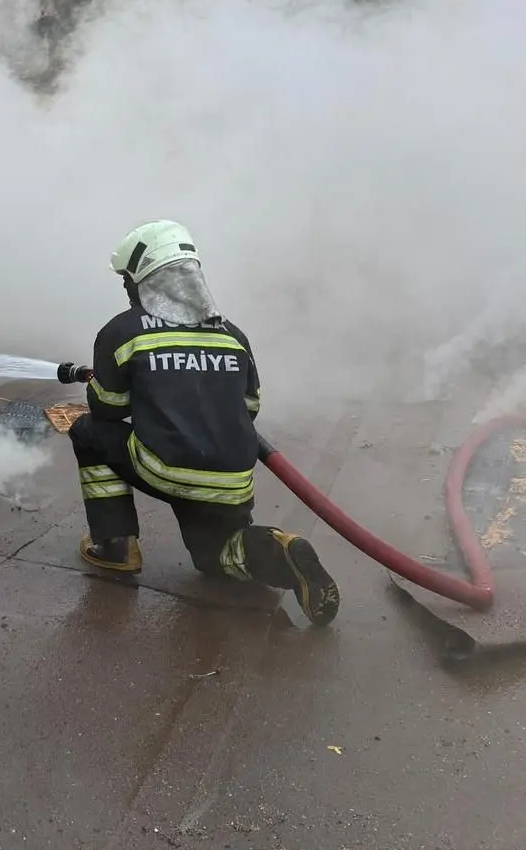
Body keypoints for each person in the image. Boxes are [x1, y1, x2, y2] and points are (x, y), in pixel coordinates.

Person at [68, 219, 340, 626]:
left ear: (144, 281)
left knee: (87, 431)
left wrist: (128, 388)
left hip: (164, 466)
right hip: (231, 479)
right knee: (217, 557)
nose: (127, 291)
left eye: (128, 281)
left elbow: (108, 407)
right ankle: (281, 552)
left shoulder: (122, 331)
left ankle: (115, 545)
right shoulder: (233, 335)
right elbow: (249, 409)